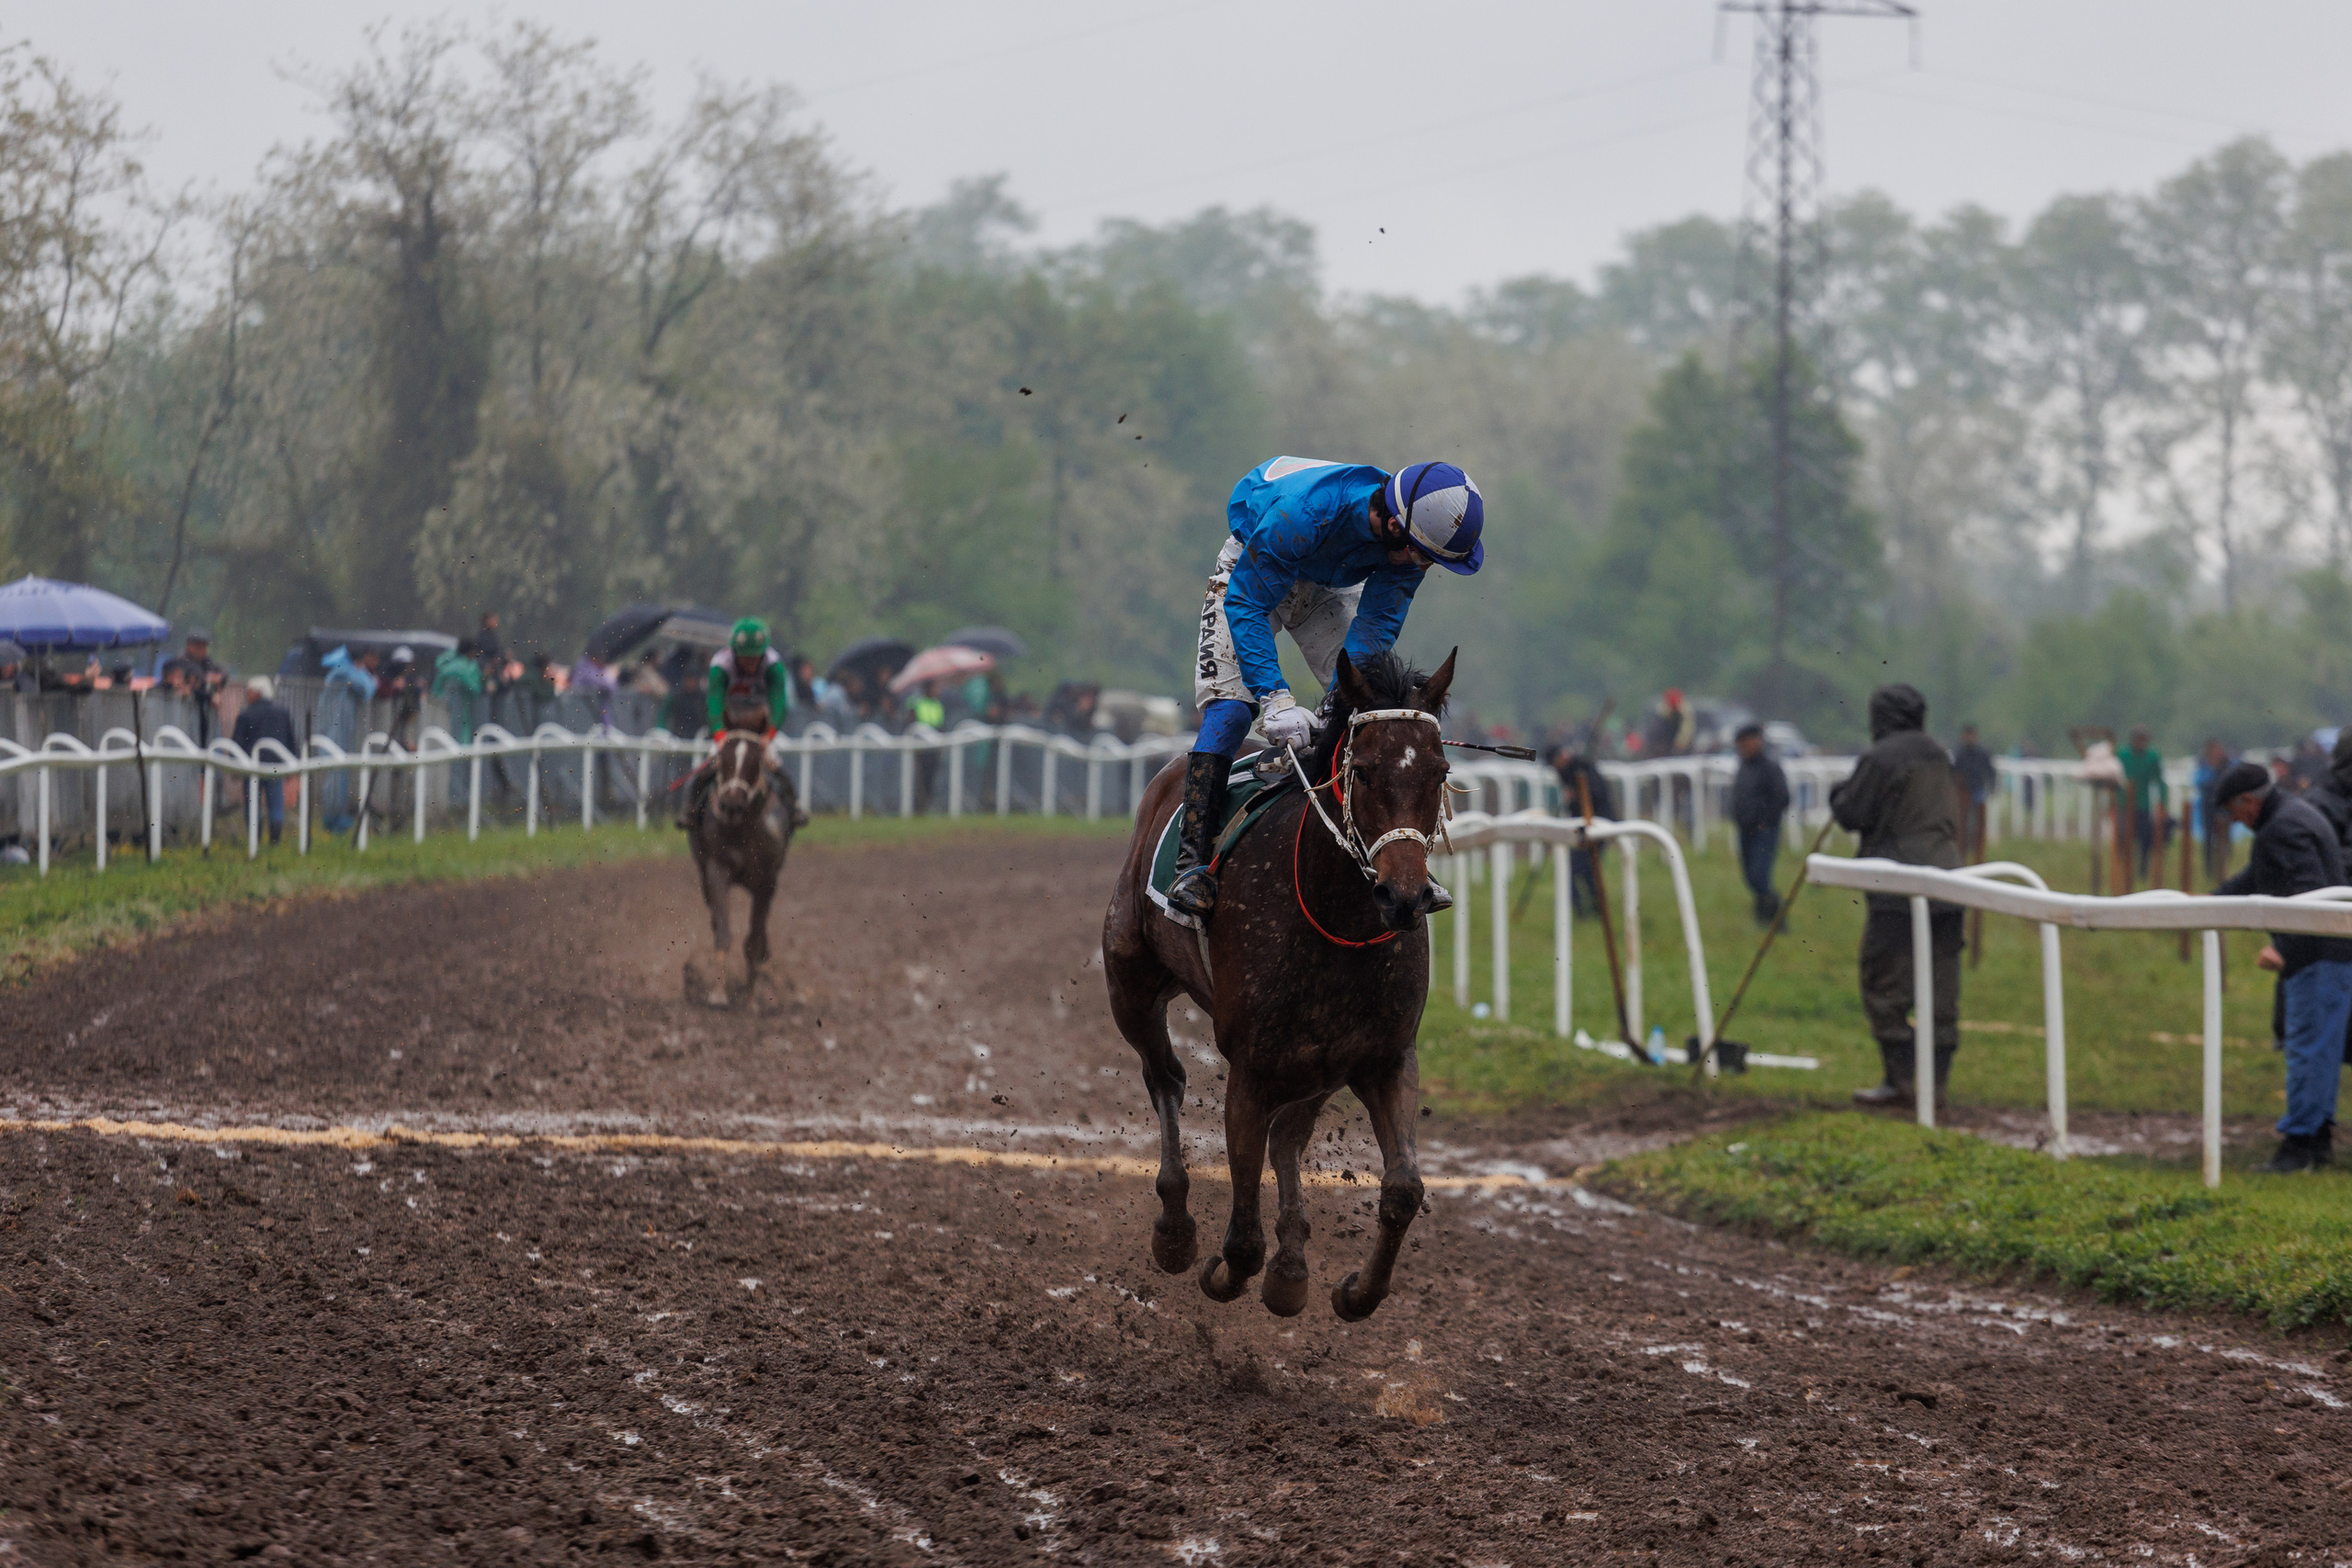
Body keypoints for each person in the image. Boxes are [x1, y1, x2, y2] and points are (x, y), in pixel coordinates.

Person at [1167, 456, 1486, 919]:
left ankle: (1389, 859)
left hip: (1322, 581)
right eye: (1425, 556)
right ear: (1394, 526)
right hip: (1252, 567)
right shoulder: (1304, 514)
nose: (1424, 568)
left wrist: (1343, 701)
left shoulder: (1408, 539)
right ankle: (1191, 863)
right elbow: (1248, 604)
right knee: (1234, 711)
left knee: (1367, 703)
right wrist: (1275, 699)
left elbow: (1373, 632)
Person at [2211, 761, 2352, 1172]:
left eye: (2234, 813)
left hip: (2316, 957)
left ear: (2249, 802)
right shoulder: (2291, 815)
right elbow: (2259, 876)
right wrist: (2210, 899)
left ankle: (2298, 1147)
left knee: (2306, 1050)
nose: (2236, 821)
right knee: (2320, 1051)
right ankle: (2317, 1141)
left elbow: (2308, 893)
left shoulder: (2283, 828)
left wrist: (2284, 948)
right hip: (2332, 954)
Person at [1830, 683, 1963, 1108]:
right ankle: (1937, 1086)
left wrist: (1838, 794)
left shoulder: (1881, 757)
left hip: (1896, 884)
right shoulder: (1939, 754)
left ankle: (1900, 1079)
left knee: (1883, 979)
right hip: (1949, 881)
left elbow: (1853, 813)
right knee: (1941, 985)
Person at [682, 619, 792, 829]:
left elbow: (779, 704)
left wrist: (769, 734)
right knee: (710, 765)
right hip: (728, 726)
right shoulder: (720, 666)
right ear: (734, 651)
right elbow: (714, 702)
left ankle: (793, 809)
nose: (750, 663)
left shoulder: (774, 667)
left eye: (755, 657)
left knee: (774, 765)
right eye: (745, 657)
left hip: (759, 727)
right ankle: (689, 809)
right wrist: (719, 734)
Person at [1730, 723, 1791, 923]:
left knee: (1759, 875)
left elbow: (1782, 798)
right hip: (1745, 830)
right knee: (1750, 876)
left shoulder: (1770, 768)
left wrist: (1766, 821)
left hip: (1764, 831)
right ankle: (1765, 913)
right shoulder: (1743, 768)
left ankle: (1773, 916)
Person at [230, 675, 298, 844]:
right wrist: (292, 766)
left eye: (249, 691)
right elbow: (290, 740)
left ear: (258, 693)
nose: (247, 694)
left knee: (252, 806)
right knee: (276, 805)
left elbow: (237, 743)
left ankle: (256, 840)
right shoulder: (282, 712)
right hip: (276, 766)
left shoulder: (246, 715)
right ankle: (275, 840)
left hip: (251, 767)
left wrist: (234, 766)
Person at [160, 629, 230, 746]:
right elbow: (198, 681)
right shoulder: (181, 662)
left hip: (200, 717)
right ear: (189, 646)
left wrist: (218, 679)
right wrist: (211, 694)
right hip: (180, 716)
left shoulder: (206, 663)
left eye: (204, 646)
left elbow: (221, 673)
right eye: (198, 646)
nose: (202, 650)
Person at [2117, 725, 2167, 881]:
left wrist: (2162, 803)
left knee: (2145, 838)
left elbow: (2160, 782)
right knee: (2123, 837)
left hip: (2143, 805)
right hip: (2124, 804)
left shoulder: (2152, 758)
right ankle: (2124, 869)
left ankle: (2143, 870)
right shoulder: (2122, 755)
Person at [1951, 723, 1996, 861]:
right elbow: (1954, 773)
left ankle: (1978, 858)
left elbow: (1990, 772)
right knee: (1962, 828)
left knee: (1979, 829)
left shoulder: (1982, 753)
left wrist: (1991, 788)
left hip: (1978, 793)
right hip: (1963, 795)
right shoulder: (1959, 753)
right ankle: (1962, 856)